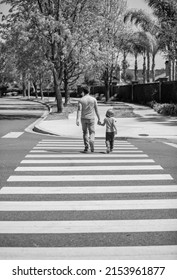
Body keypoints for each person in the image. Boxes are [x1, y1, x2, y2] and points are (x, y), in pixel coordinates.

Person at [76, 87, 101, 152]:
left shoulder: (81, 100)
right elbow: (96, 110)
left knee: (85, 132)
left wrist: (77, 119)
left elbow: (79, 110)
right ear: (89, 92)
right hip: (91, 118)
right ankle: (91, 140)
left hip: (83, 118)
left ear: (83, 92)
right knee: (92, 132)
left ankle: (86, 146)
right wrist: (99, 118)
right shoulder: (93, 99)